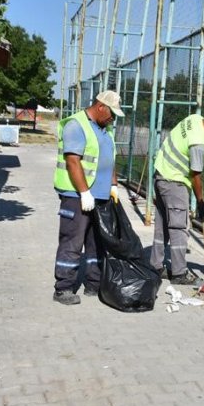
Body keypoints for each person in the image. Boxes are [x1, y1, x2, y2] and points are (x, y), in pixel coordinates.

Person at [52, 91, 124, 305]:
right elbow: (73, 161)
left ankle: (93, 283)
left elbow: (110, 159)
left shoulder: (106, 129)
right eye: (112, 113)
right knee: (72, 241)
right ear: (101, 106)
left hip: (101, 198)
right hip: (77, 196)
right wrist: (84, 192)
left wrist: (113, 186)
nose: (113, 118)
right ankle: (63, 288)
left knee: (97, 243)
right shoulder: (76, 125)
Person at [150, 112, 204, 284]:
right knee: (179, 227)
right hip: (175, 182)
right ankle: (179, 273)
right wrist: (201, 201)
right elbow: (196, 176)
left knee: (162, 226)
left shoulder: (194, 119)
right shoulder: (199, 144)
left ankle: (155, 265)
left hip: (161, 174)